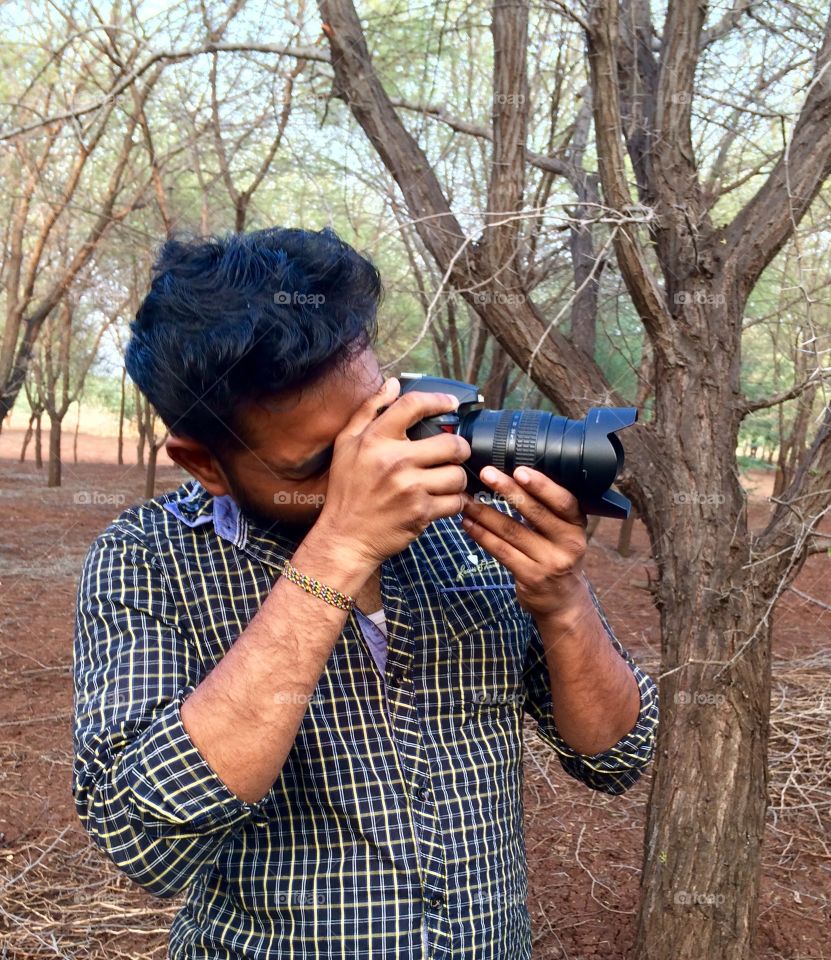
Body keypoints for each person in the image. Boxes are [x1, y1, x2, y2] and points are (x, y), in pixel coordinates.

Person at [71, 226, 659, 960]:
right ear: (205, 464)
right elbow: (142, 838)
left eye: (377, 421)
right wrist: (340, 551)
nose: (377, 468)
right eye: (323, 461)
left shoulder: (463, 524)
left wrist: (564, 603)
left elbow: (616, 757)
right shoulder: (146, 558)